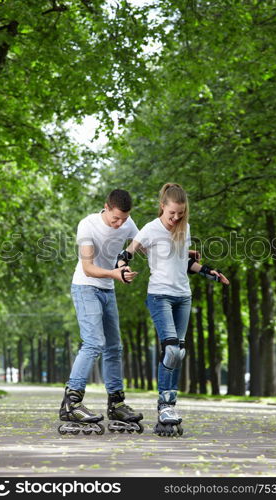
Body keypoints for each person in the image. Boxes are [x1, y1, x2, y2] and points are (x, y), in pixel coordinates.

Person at [119, 183, 229, 436]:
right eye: (172, 214)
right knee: (170, 349)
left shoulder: (185, 228)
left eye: (181, 213)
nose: (177, 218)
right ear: (162, 207)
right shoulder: (150, 229)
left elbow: (185, 263)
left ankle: (168, 406)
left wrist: (210, 272)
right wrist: (123, 269)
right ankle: (165, 406)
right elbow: (125, 254)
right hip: (159, 295)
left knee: (178, 352)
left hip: (183, 297)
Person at [58, 189, 144, 435]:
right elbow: (87, 267)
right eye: (115, 218)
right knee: (94, 342)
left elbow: (146, 247)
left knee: (114, 348)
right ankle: (71, 402)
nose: (120, 224)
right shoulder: (87, 225)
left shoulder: (127, 224)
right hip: (86, 288)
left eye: (124, 220)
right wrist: (115, 274)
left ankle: (116, 403)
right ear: (106, 207)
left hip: (107, 290)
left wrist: (180, 255)